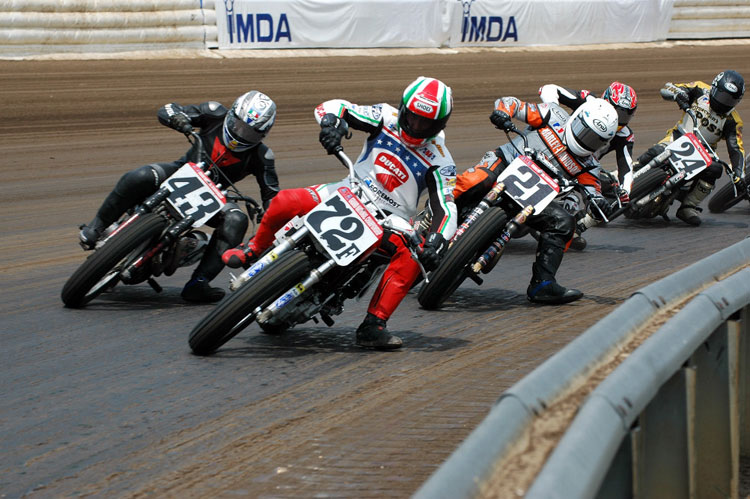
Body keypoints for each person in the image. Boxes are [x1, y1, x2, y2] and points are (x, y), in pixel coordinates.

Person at [223, 76, 458, 350]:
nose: (416, 126)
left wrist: (437, 240)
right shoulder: (385, 116)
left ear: (439, 125)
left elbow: (446, 204)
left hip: (390, 220)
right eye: (414, 118)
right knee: (285, 200)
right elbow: (335, 106)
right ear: (404, 108)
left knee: (412, 257)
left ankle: (374, 324)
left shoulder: (441, 160)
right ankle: (253, 249)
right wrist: (331, 125)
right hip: (346, 189)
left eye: (425, 123)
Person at [78, 91, 280, 303]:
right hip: (181, 172)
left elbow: (272, 198)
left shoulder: (263, 156)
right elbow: (167, 109)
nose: (240, 134)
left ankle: (199, 283)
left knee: (237, 219)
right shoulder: (213, 112)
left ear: (262, 134)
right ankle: (96, 227)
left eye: (250, 133)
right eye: (238, 125)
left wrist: (268, 215)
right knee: (141, 175)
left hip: (217, 196)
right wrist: (177, 118)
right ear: (231, 115)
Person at [453, 96, 619, 304]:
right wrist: (503, 113)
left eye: (593, 139)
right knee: (476, 179)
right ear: (576, 118)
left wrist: (598, 201)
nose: (585, 140)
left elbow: (592, 190)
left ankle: (543, 283)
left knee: (565, 222)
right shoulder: (554, 114)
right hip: (505, 163)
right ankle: (438, 213)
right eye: (583, 131)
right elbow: (513, 104)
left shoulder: (590, 165)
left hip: (534, 199)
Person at [636, 70, 745, 226]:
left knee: (715, 170)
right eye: (722, 96)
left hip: (703, 154)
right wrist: (679, 95)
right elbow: (668, 87)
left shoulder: (734, 121)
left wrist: (739, 174)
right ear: (714, 88)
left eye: (729, 100)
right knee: (656, 152)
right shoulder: (700, 89)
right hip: (677, 138)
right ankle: (626, 176)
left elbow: (736, 148)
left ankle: (688, 206)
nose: (723, 102)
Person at [538, 82, 638, 247]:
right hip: (553, 146)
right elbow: (548, 89)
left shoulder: (625, 135)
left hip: (583, 170)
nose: (620, 119)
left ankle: (577, 227)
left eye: (626, 116)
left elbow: (626, 165)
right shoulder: (589, 101)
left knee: (613, 195)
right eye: (618, 112)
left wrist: (625, 190)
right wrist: (553, 111)